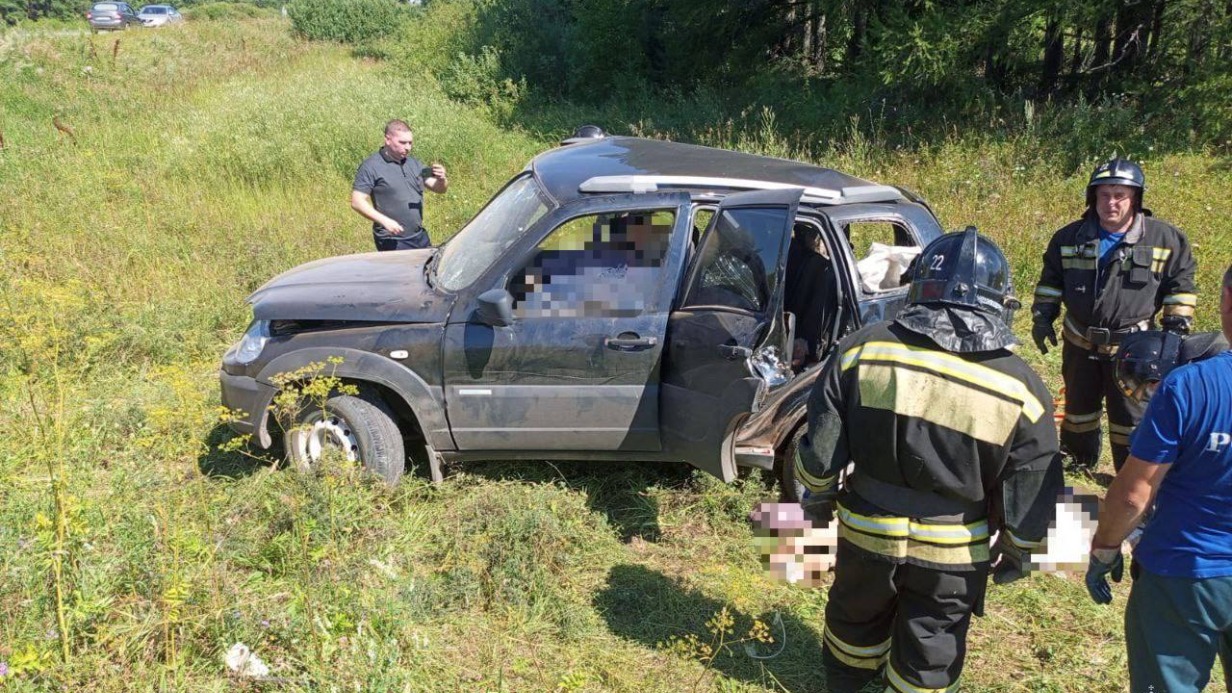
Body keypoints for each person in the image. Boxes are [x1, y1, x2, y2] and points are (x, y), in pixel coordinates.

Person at [796, 227, 1064, 693]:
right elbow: (1032, 481)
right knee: (931, 649)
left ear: (918, 285)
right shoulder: (1022, 387)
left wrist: (817, 500)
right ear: (999, 301)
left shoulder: (863, 349)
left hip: (866, 532)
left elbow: (820, 451)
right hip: (955, 553)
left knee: (854, 625)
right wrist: (1019, 549)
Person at [1085, 264, 1232, 692]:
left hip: (1184, 573)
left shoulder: (1189, 387)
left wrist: (1105, 547)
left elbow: (1134, 494)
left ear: (1225, 300)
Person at [1031, 158, 1197, 472]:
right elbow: (1050, 280)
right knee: (1079, 413)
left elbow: (1181, 286)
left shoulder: (1165, 239)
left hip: (1135, 349)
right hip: (1079, 342)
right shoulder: (1069, 238)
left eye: (1120, 195)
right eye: (1105, 194)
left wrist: (1174, 332)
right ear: (1093, 197)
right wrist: (1043, 316)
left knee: (1131, 419)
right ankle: (1077, 467)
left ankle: (1128, 476)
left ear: (1135, 198)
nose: (1111, 203)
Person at [350, 120, 448, 252]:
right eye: (402, 142)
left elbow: (439, 189)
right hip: (392, 240)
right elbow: (357, 201)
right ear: (388, 140)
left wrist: (442, 179)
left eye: (410, 143)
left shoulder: (414, 164)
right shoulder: (371, 166)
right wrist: (385, 221)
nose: (408, 147)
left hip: (419, 236)